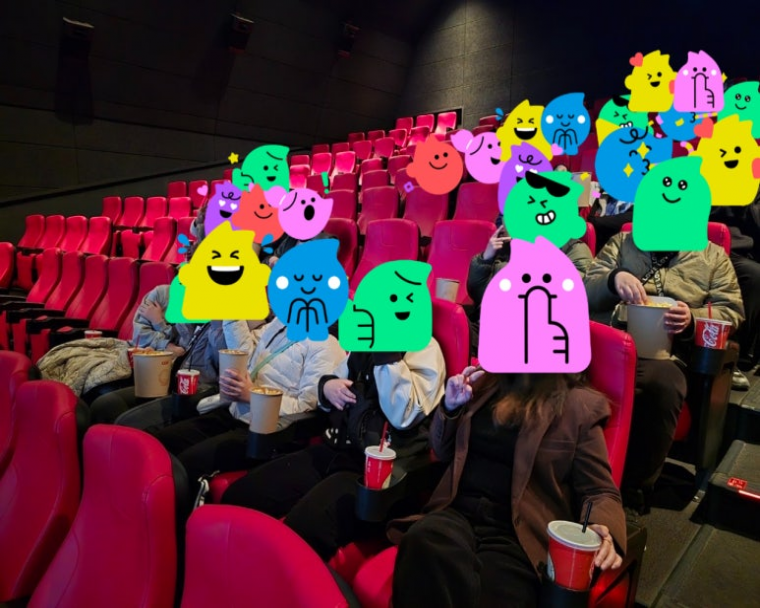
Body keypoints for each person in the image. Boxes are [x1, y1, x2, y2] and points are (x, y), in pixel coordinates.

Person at [391, 367, 625, 608]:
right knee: (422, 541)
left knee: (495, 591)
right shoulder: (483, 383)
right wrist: (450, 408)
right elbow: (442, 451)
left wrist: (601, 528)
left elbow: (599, 491)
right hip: (457, 513)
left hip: (518, 535)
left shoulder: (580, 406)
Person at [220, 339, 446, 562]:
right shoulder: (364, 339)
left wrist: (386, 349)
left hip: (376, 474)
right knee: (239, 497)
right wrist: (328, 387)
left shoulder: (425, 347)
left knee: (301, 530)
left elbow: (403, 415)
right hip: (335, 448)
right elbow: (331, 384)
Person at [584, 230, 744, 513]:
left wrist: (693, 319)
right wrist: (613, 279)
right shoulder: (622, 243)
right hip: (612, 343)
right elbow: (584, 291)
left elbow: (731, 311)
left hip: (668, 352)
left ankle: (632, 492)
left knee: (661, 385)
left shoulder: (713, 256)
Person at [150, 316, 345, 493]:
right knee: (159, 444)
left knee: (187, 464)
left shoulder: (327, 346)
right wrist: (232, 313)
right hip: (234, 410)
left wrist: (252, 395)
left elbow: (306, 407)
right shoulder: (279, 325)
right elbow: (247, 354)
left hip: (264, 431)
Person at [466, 221, 593, 354]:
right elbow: (478, 294)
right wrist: (486, 258)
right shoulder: (508, 248)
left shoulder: (573, 249)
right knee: (453, 323)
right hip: (490, 325)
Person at [710, 188, 760, 389]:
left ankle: (739, 353)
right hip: (703, 241)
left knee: (754, 274)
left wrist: (748, 198)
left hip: (742, 249)